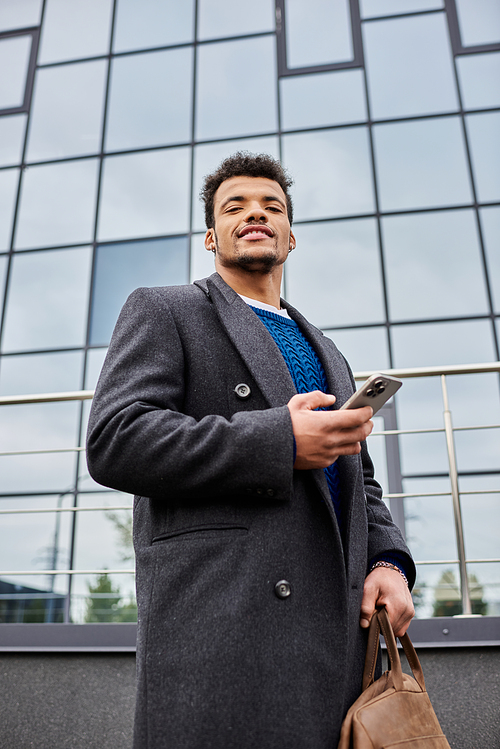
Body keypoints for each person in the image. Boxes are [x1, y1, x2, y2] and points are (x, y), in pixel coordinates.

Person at [86, 152, 415, 749]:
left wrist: (387, 562)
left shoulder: (329, 350)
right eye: (234, 206)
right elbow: (116, 439)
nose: (255, 214)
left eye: (272, 206)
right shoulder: (166, 310)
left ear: (291, 237)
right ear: (213, 236)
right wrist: (279, 440)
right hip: (223, 633)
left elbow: (357, 477)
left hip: (333, 634)